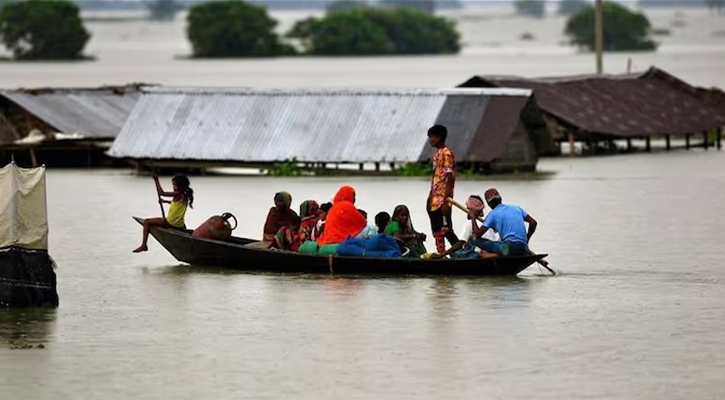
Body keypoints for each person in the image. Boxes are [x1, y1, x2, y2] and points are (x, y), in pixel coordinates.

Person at [134, 172, 194, 253]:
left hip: (170, 222)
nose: (174, 187)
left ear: (180, 185)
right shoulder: (185, 195)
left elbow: (162, 193)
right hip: (180, 225)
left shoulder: (177, 194)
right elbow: (176, 205)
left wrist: (156, 180)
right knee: (182, 225)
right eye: (173, 185)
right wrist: (165, 201)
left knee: (146, 222)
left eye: (175, 185)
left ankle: (144, 245)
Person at [469, 188, 538, 257]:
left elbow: (477, 234)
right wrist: (526, 240)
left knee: (476, 241)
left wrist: (473, 217)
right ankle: (500, 252)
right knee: (501, 242)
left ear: (488, 204)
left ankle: (495, 254)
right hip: (523, 247)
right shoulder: (516, 208)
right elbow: (533, 223)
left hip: (508, 248)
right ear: (500, 199)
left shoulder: (493, 214)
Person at [426, 125, 460, 255]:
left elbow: (450, 177)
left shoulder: (446, 153)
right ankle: (442, 254)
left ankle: (458, 254)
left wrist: (446, 201)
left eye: (432, 137)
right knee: (437, 230)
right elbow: (437, 178)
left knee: (446, 229)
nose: (430, 140)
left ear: (439, 138)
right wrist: (430, 197)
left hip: (442, 199)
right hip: (434, 199)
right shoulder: (437, 153)